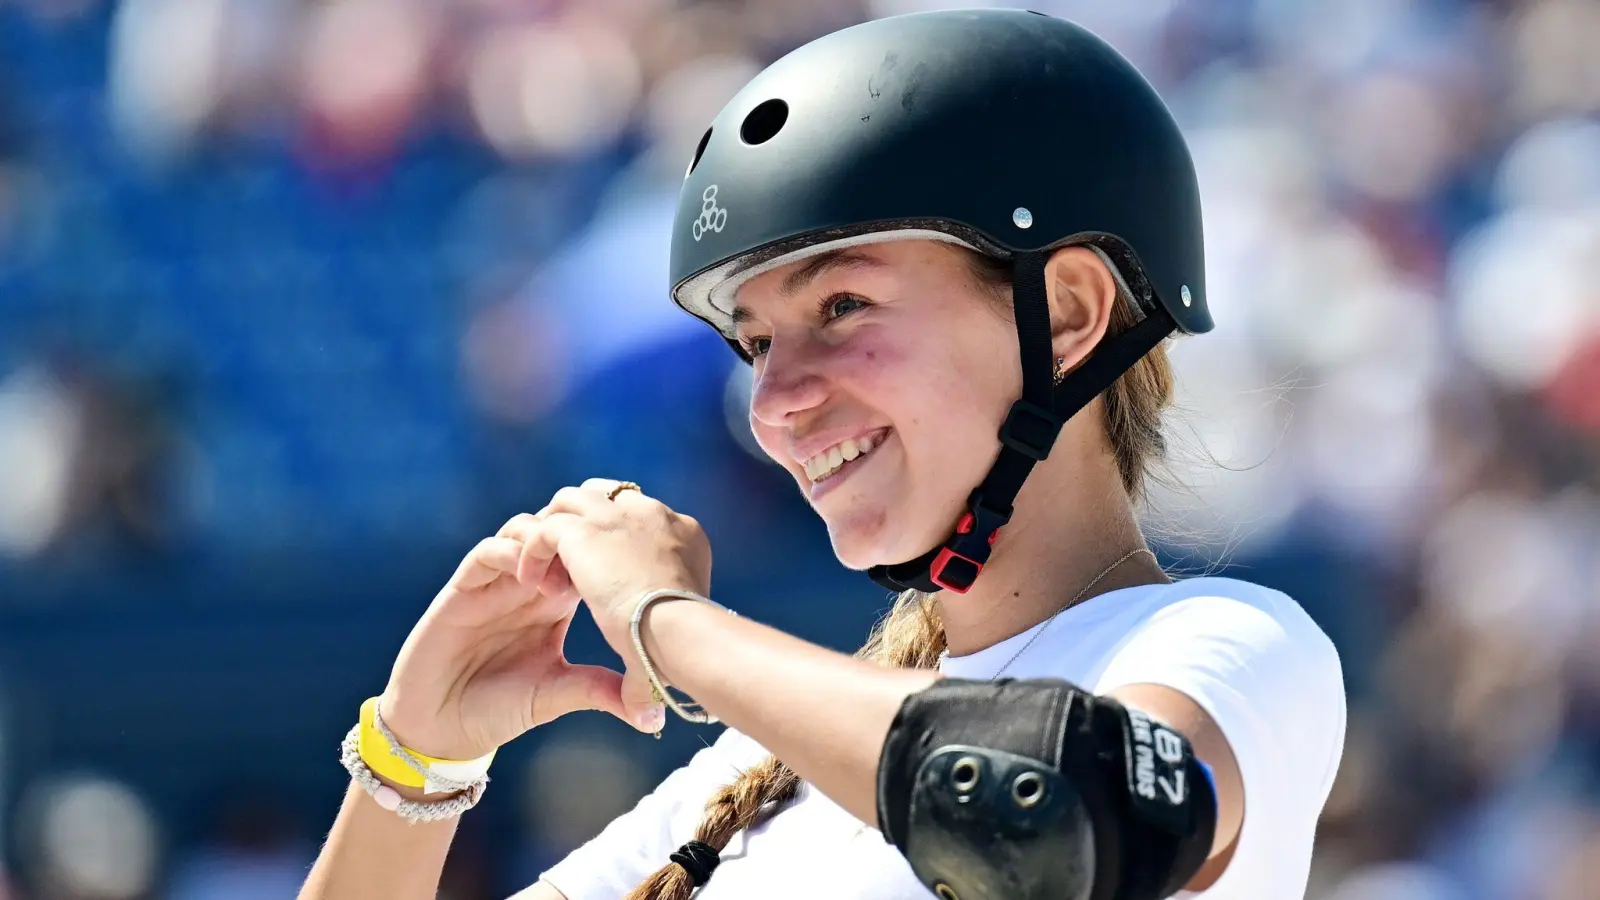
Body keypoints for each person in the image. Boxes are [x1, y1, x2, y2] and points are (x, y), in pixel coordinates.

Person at [298, 10, 1346, 900]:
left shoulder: (1226, 644)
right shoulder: (752, 773)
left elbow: (1059, 813)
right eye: (754, 343)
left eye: (842, 306)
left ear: (1068, 312)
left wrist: (668, 625)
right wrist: (416, 756)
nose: (775, 403)